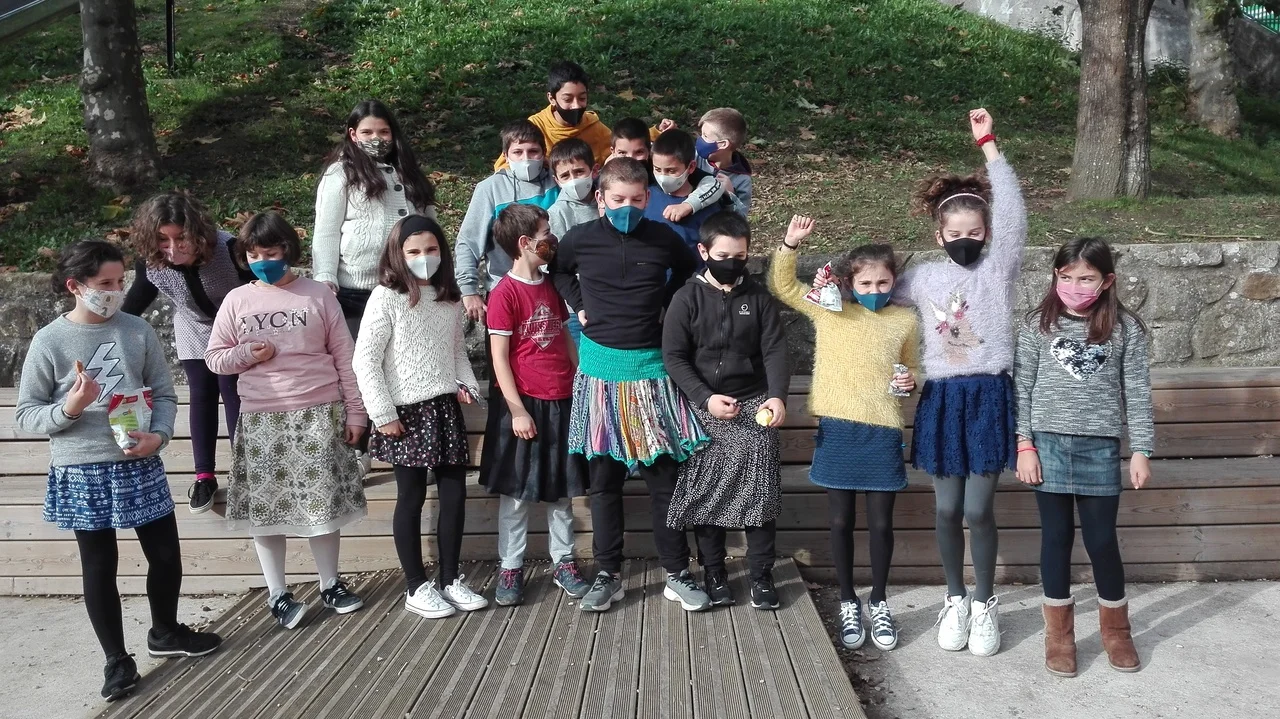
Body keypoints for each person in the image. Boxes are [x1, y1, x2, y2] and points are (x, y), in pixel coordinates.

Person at [17, 240, 222, 702]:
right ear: (75, 286)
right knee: (99, 565)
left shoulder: (136, 329)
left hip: (139, 460)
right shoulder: (50, 340)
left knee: (165, 555)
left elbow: (164, 393)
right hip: (82, 467)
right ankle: (115, 659)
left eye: (120, 281)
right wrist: (70, 407)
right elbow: (27, 413)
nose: (115, 292)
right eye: (104, 284)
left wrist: (159, 436)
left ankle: (165, 632)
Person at [548, 157, 710, 613]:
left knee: (665, 481)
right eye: (618, 199)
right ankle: (608, 574)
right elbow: (557, 271)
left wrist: (664, 304)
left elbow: (688, 270)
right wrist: (579, 303)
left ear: (648, 198)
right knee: (604, 483)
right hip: (600, 374)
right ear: (600, 199)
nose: (627, 207)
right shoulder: (580, 238)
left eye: (637, 200)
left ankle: (676, 573)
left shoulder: (662, 237)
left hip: (653, 373)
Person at [893, 108, 1025, 656]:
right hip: (943, 398)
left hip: (989, 395)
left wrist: (989, 146)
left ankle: (985, 602)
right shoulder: (923, 278)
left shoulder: (998, 269)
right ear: (939, 235)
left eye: (974, 232)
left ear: (986, 234)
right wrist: (831, 284)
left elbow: (1014, 212)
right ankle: (955, 599)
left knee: (977, 510)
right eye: (955, 233)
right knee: (947, 510)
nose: (965, 239)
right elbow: (871, 292)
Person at [206, 212, 368, 630]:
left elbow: (345, 356)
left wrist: (356, 411)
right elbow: (215, 358)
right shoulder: (237, 300)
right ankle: (277, 593)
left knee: (322, 502)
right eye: (253, 255)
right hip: (261, 417)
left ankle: (330, 583)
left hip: (319, 412)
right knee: (267, 508)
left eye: (271, 253)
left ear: (288, 250)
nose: (263, 262)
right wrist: (247, 354)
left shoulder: (318, 294)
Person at [770, 217, 919, 652]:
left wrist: (912, 379)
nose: (875, 289)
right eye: (866, 283)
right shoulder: (829, 308)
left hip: (883, 430)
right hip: (837, 429)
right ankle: (849, 600)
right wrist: (789, 244)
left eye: (883, 282)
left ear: (894, 281)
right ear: (850, 283)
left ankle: (880, 600)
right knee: (840, 520)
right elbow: (784, 286)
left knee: (881, 523)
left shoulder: (905, 320)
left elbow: (913, 366)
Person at [1014, 236, 1152, 677]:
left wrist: (1141, 449)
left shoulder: (1125, 329)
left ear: (1107, 280)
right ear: (1055, 276)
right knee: (1056, 538)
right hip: (1047, 446)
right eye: (1067, 277)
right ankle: (1059, 636)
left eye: (1086, 278)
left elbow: (1138, 393)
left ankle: (1117, 632)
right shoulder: (1037, 324)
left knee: (1101, 541)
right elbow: (1021, 389)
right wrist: (1024, 445)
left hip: (1100, 448)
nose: (1075, 286)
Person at [352, 215, 488, 618]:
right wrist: (382, 413)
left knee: (455, 495)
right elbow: (365, 360)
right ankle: (416, 586)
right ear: (398, 254)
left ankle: (450, 579)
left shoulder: (448, 298)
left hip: (444, 408)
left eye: (431, 249)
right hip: (404, 412)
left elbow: (456, 352)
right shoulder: (386, 297)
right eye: (413, 251)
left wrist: (467, 385)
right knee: (410, 497)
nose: (423, 257)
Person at [662, 212, 789, 610]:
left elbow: (774, 350)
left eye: (740, 256)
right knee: (708, 494)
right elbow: (674, 357)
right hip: (705, 409)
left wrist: (777, 396)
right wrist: (705, 398)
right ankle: (714, 571)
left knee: (760, 493)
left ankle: (761, 574)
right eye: (723, 256)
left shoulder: (758, 298)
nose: (732, 263)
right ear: (703, 251)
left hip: (753, 404)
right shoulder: (686, 298)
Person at [480, 204, 591, 606]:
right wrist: (516, 410)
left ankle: (564, 561)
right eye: (546, 234)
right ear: (525, 242)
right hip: (525, 403)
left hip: (562, 398)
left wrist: (581, 378)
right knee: (517, 493)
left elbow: (563, 336)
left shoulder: (551, 285)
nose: (552, 240)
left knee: (562, 490)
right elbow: (499, 357)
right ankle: (511, 566)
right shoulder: (503, 293)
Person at [123, 191, 253, 514]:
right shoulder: (152, 262)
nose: (172, 248)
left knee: (232, 391)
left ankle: (246, 471)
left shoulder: (228, 249)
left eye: (181, 238)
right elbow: (135, 303)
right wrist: (108, 328)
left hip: (236, 325)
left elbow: (259, 288)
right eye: (162, 239)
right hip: (193, 326)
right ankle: (204, 476)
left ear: (197, 232)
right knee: (202, 393)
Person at [312, 98, 437, 339]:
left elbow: (430, 225)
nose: (376, 139)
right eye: (367, 132)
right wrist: (325, 276)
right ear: (353, 134)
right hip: (355, 292)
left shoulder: (409, 172)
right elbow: (326, 231)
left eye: (383, 132)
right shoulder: (340, 173)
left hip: (406, 286)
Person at [455, 120, 561, 326]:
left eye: (533, 151)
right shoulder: (490, 189)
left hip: (554, 289)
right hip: (506, 292)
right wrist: (468, 290)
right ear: (505, 155)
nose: (526, 159)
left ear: (544, 152)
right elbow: (469, 241)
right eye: (518, 152)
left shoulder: (558, 182)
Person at [494, 61, 614, 169]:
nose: (576, 106)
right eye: (568, 100)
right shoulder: (536, 126)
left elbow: (618, 153)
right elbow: (504, 167)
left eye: (582, 98)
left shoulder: (595, 128)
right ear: (551, 98)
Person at [646, 129, 722, 257]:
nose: (663, 177)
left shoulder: (708, 207)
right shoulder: (645, 196)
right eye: (657, 169)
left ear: (691, 167)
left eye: (671, 171)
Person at [695, 108, 753, 215]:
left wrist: (730, 196)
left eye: (705, 136)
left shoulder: (742, 180)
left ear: (723, 144)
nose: (700, 139)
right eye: (701, 134)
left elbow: (740, 219)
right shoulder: (695, 157)